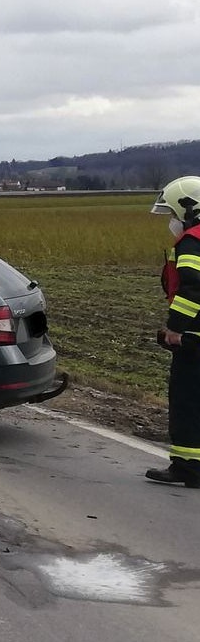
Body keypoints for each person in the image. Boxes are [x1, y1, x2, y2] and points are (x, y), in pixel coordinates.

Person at [147, 176, 200, 487]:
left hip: (194, 339)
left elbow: (193, 289)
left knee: (187, 401)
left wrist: (175, 329)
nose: (172, 221)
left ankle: (188, 467)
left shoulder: (192, 241)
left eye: (173, 213)